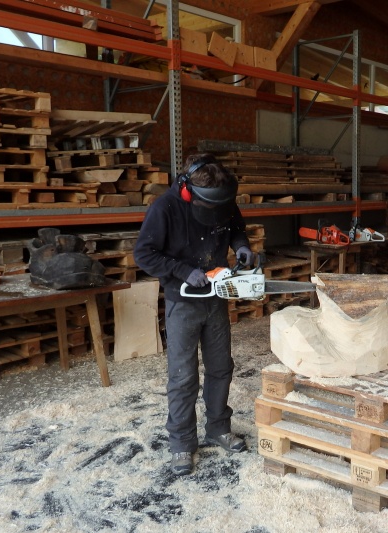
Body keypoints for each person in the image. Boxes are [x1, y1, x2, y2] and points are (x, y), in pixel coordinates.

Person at [134, 152, 253, 476]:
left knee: (221, 368)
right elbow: (144, 253)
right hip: (182, 301)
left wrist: (242, 246)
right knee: (183, 375)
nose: (215, 210)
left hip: (216, 297)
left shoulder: (222, 197)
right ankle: (182, 442)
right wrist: (183, 271)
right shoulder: (165, 208)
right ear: (188, 191)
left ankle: (218, 428)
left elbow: (235, 229)